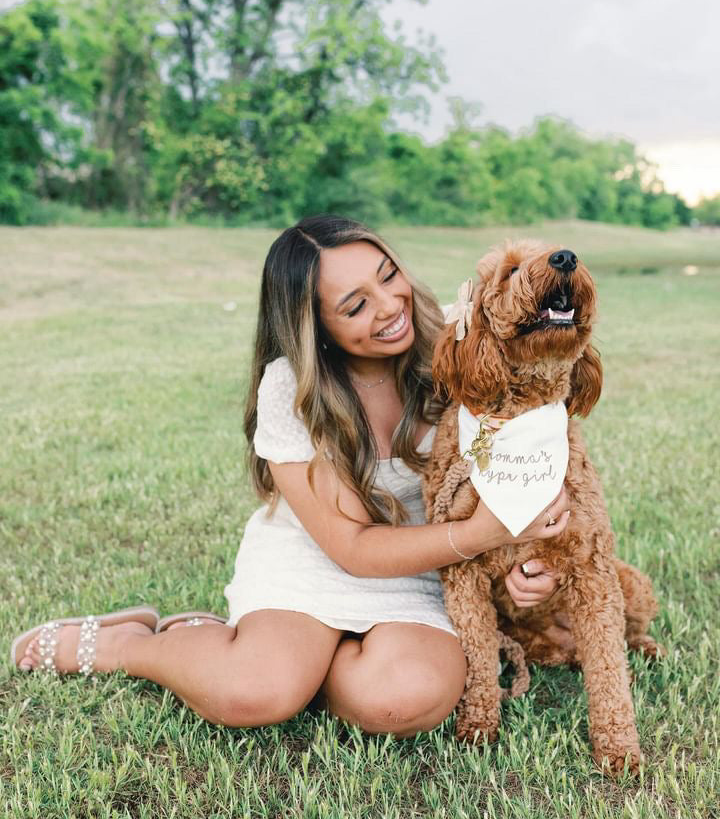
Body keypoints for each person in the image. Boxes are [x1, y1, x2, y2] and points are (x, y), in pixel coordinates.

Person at [12, 216, 569, 737]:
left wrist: (527, 556)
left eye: (388, 276)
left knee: (406, 697)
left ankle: (285, 662)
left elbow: (538, 443)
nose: (389, 306)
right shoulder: (292, 388)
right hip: (314, 557)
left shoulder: (460, 338)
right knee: (255, 694)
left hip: (426, 568)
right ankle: (136, 646)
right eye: (354, 306)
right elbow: (352, 547)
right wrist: (480, 536)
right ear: (315, 327)